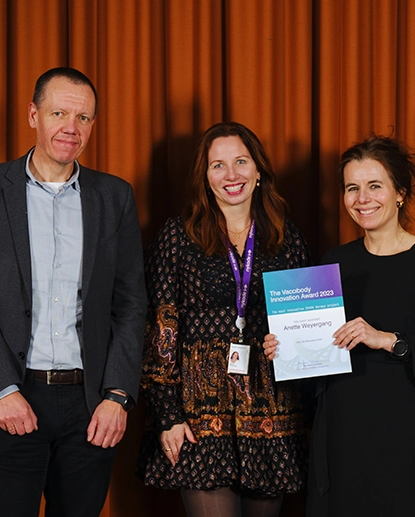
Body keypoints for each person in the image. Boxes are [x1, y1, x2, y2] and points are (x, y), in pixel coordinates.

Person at [0, 67, 147, 517]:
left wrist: (117, 395)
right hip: (10, 398)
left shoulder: (114, 196)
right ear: (33, 115)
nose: (71, 127)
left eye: (83, 118)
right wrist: (2, 390)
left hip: (92, 408)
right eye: (59, 113)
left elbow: (131, 304)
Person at [264, 136, 415, 516]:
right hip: (338, 430)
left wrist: (385, 339)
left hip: (401, 434)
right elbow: (314, 364)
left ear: (400, 193)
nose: (362, 198)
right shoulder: (334, 262)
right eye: (352, 188)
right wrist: (285, 351)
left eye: (375, 186)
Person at [138, 122, 310, 517]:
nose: (231, 175)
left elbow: (306, 327)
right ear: (205, 176)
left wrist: (287, 345)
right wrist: (167, 415)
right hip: (198, 416)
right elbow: (159, 328)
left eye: (240, 162)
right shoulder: (177, 237)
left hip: (271, 417)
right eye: (218, 165)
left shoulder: (288, 239)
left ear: (259, 170)